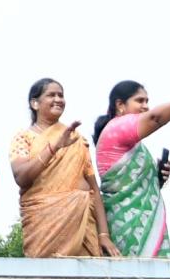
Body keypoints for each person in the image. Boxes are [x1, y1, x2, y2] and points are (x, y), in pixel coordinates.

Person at [93, 81, 170, 258]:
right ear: (120, 105)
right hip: (127, 222)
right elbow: (155, 118)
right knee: (132, 278)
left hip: (146, 220)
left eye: (147, 101)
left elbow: (133, 185)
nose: (145, 106)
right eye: (139, 101)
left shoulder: (136, 145)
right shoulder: (116, 128)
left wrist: (157, 179)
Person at [10, 79, 119, 258]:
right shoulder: (23, 138)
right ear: (34, 103)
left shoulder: (76, 138)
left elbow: (94, 189)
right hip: (44, 227)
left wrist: (104, 235)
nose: (58, 99)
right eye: (51, 95)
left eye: (61, 95)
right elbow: (21, 177)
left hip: (83, 225)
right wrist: (55, 146)